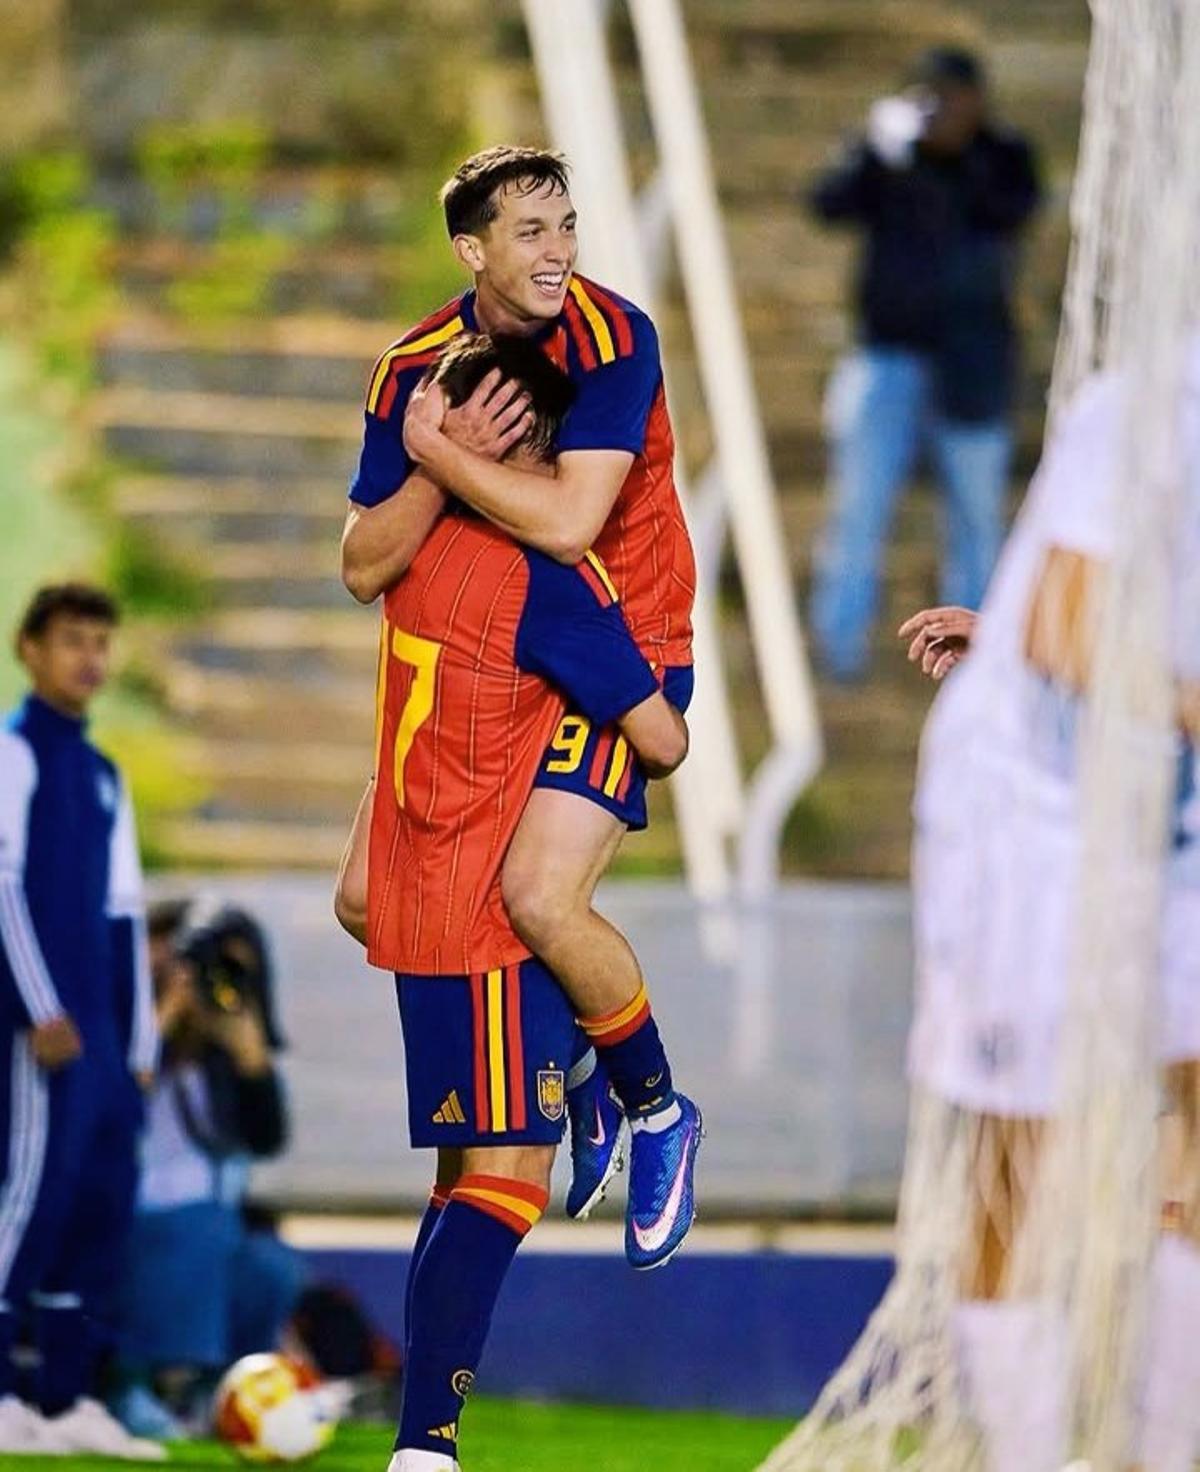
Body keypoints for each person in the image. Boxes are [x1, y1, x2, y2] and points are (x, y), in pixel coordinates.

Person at [340, 329, 695, 1472]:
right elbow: (663, 738)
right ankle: (428, 1446)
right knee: (505, 1179)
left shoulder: (413, 554)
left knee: (456, 1177)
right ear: (540, 446)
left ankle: (420, 1444)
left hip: (407, 886)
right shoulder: (547, 581)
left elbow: (362, 562)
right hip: (481, 908)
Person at [340, 146, 700, 1263]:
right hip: (488, 653)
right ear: (472, 249)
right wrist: (435, 464)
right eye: (532, 231)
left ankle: (656, 1108)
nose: (559, 253)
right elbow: (362, 565)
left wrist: (440, 457)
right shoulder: (411, 364)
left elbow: (567, 526)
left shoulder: (613, 337)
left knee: (540, 896)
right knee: (364, 900)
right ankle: (587, 1070)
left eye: (567, 226)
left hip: (615, 644)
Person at [903, 358, 1200, 1472]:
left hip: (1165, 808)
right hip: (1037, 820)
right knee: (1021, 1164)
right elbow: (1069, 616)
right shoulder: (1159, 403)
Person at [807, 45, 1042, 681]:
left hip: (974, 367)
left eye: (955, 97)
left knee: (976, 522)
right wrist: (874, 150)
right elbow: (827, 204)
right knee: (857, 508)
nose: (944, 110)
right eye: (932, 96)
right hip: (886, 359)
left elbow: (1013, 210)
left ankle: (980, 665)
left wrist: (949, 159)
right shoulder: (889, 153)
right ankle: (838, 654)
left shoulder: (1001, 156)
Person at [0, 583, 161, 1460]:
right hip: (43, 1033)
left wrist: (138, 1044)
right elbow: (3, 888)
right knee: (28, 1205)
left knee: (99, 1210)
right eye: (71, 641)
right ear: (30, 649)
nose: (89, 658)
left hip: (102, 1042)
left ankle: (64, 1402)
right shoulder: (15, 754)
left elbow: (125, 912)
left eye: (102, 641)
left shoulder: (103, 775)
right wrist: (39, 1007)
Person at [111, 900, 304, 1440]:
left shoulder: (226, 1058)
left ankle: (212, 1389)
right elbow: (116, 1107)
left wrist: (249, 1055)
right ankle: (135, 1383)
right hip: (130, 1229)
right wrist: (165, 1016)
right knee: (200, 1228)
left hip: (204, 1236)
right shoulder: (135, 1034)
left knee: (269, 1264)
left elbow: (267, 1139)